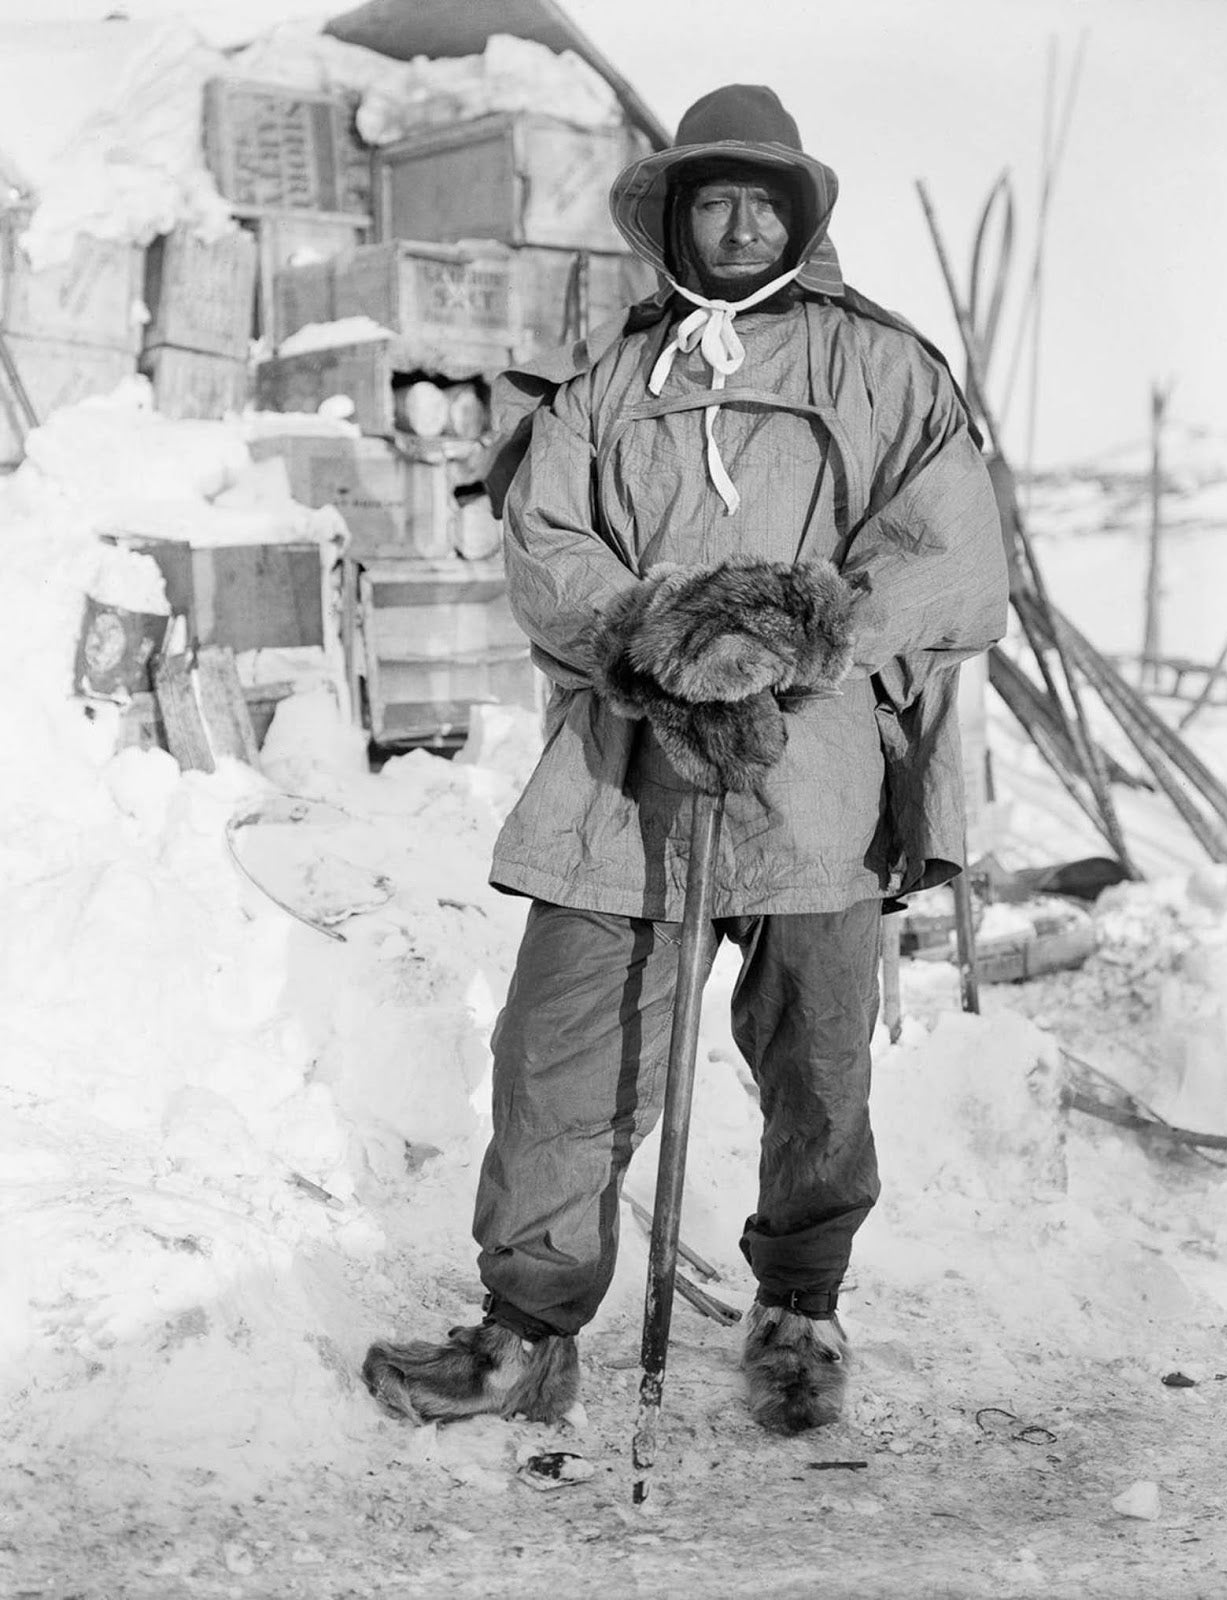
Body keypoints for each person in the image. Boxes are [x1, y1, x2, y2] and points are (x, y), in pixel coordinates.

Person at [364, 84, 1009, 1435]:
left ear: (797, 215)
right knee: (562, 1051)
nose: (731, 221)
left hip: (817, 771)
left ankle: (799, 1315)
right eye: (709, 198)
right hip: (625, 761)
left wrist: (801, 632)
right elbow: (544, 540)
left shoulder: (881, 370)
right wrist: (645, 633)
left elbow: (950, 552)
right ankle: (524, 1333)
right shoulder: (613, 379)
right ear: (673, 215)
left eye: (756, 199)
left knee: (818, 1067)